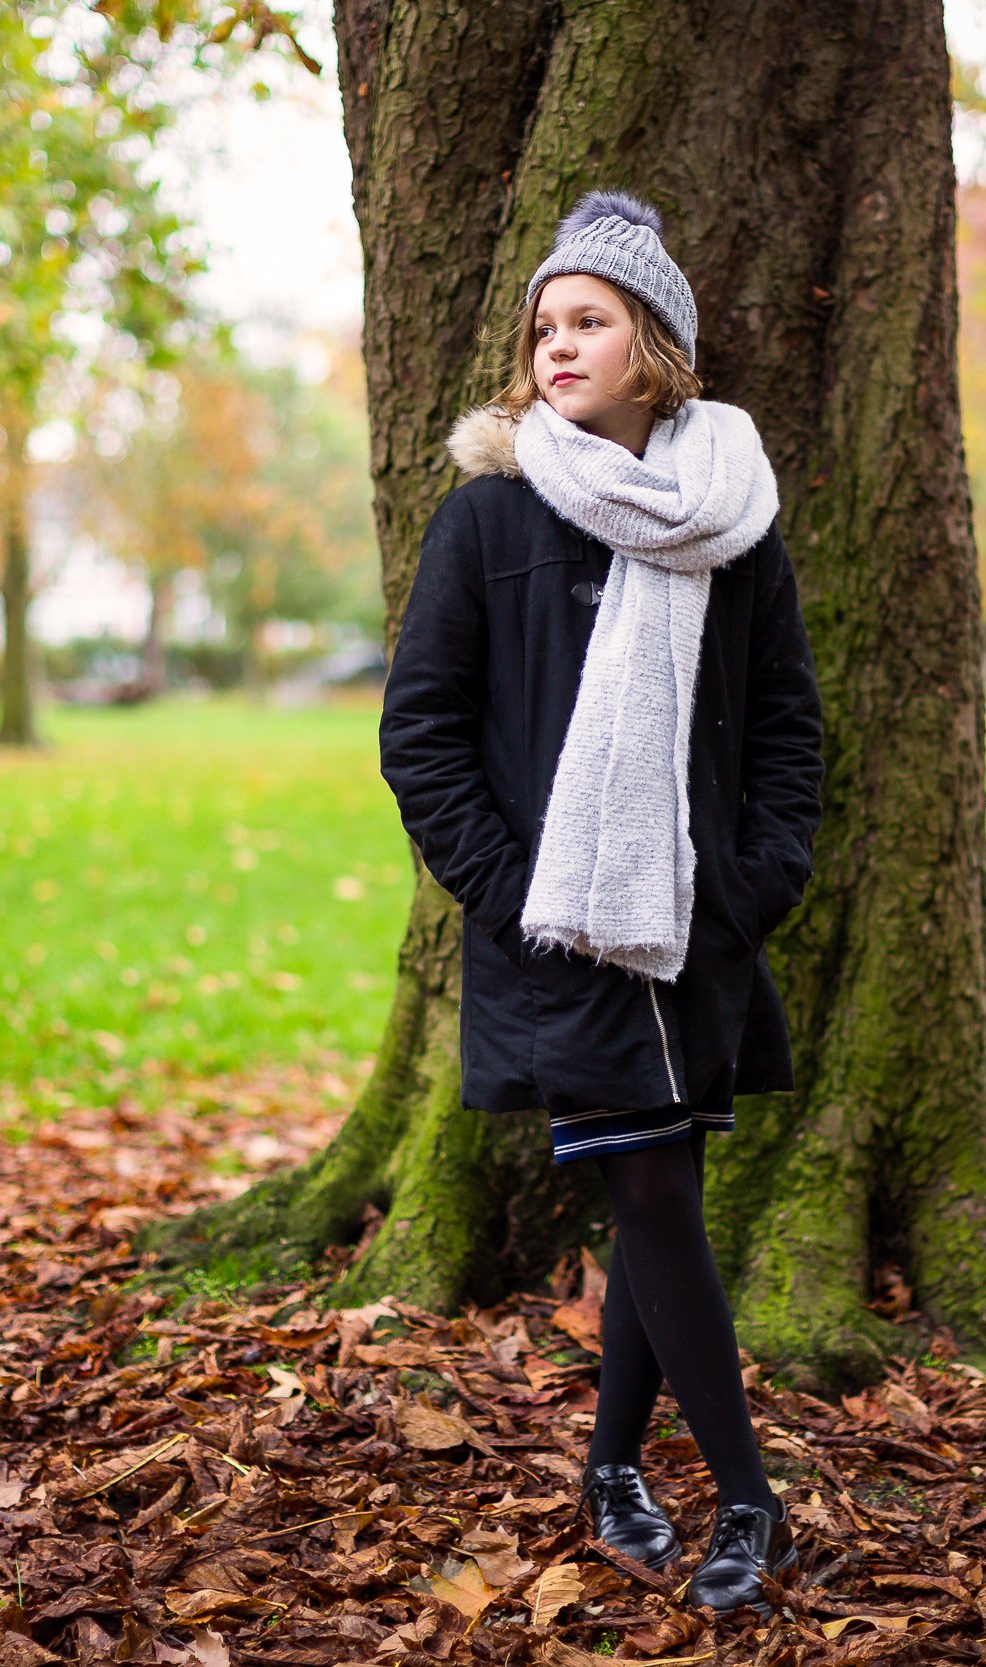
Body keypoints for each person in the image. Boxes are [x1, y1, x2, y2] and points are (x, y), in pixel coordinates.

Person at [377, 189, 825, 1617]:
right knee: (647, 1181)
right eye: (546, 325)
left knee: (665, 1191)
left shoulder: (734, 519)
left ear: (657, 350)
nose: (559, 346)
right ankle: (748, 1496)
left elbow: (786, 732)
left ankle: (614, 1468)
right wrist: (514, 896)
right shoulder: (489, 519)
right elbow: (423, 732)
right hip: (560, 929)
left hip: (700, 927)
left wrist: (751, 887)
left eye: (592, 322)